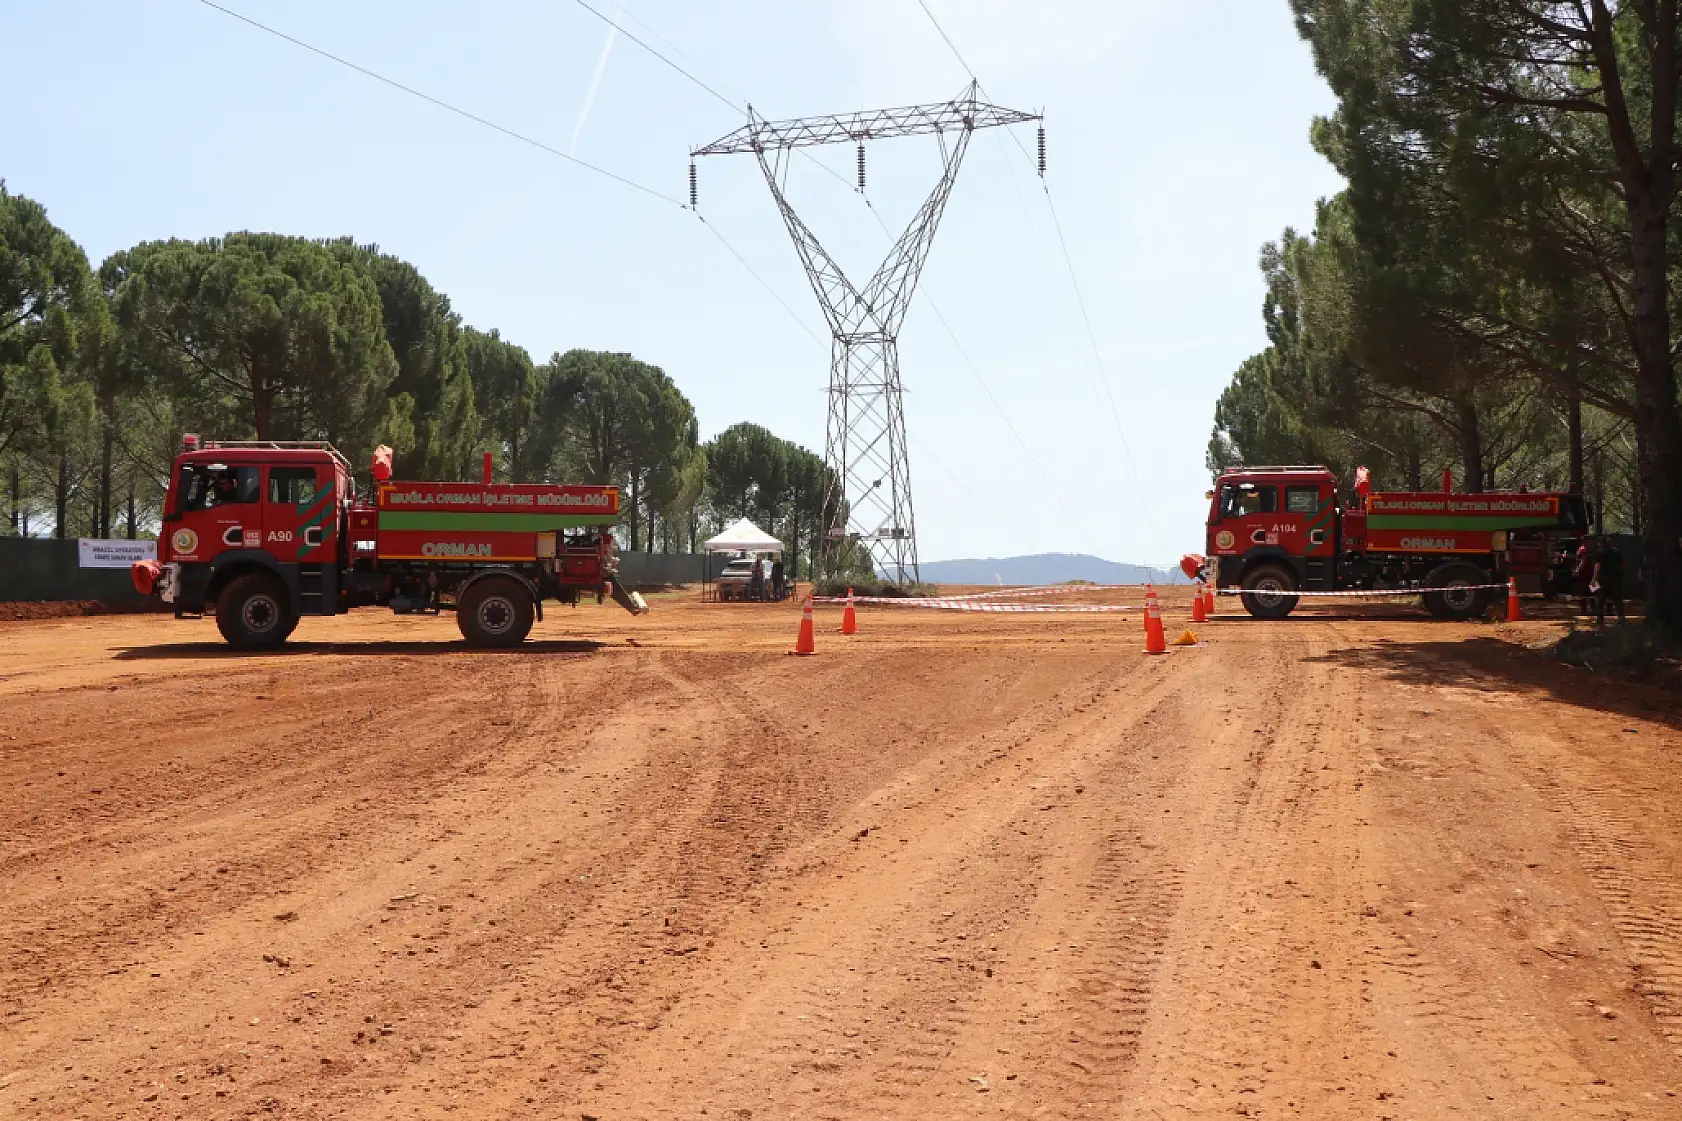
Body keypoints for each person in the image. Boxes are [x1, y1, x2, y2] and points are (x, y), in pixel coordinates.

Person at [1593, 537, 1626, 625]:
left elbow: (1597, 566)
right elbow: (1622, 566)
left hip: (1603, 580)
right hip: (1616, 580)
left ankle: (1600, 620)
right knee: (1617, 600)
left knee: (1600, 601)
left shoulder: (1599, 553)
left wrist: (1594, 579)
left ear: (1600, 544)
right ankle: (1621, 618)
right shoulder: (1617, 552)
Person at [1573, 539, 1594, 617]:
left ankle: (1590, 609)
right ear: (1586, 542)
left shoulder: (1584, 550)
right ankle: (1584, 610)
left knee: (1591, 591)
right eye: (1590, 542)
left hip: (1589, 575)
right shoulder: (1583, 550)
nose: (1591, 544)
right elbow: (1583, 561)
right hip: (1585, 575)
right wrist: (1578, 570)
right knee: (1584, 592)